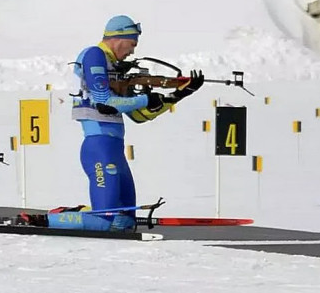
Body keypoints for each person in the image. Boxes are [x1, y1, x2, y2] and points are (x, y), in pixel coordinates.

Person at [35, 15, 204, 232]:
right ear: (119, 38)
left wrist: (178, 95)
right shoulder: (95, 55)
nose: (132, 51)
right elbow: (105, 102)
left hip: (115, 150)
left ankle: (74, 213)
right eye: (132, 44)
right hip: (100, 146)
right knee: (105, 222)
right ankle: (43, 221)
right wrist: (145, 98)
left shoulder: (114, 67)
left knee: (125, 221)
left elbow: (140, 116)